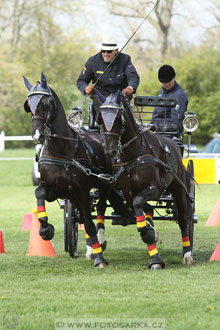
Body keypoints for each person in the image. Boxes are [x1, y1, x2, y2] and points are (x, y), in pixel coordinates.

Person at [76, 36, 140, 105]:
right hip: (99, 98)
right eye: (103, 51)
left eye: (109, 51)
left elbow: (133, 76)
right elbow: (81, 81)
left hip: (121, 97)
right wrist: (85, 88)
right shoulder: (92, 61)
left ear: (116, 51)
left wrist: (130, 88)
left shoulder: (125, 59)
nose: (106, 54)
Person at [152, 65, 188, 135]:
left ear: (174, 77)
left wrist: (155, 128)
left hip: (168, 135)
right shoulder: (162, 91)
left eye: (169, 82)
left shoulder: (179, 95)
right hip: (156, 131)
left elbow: (175, 123)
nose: (166, 84)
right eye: (164, 82)